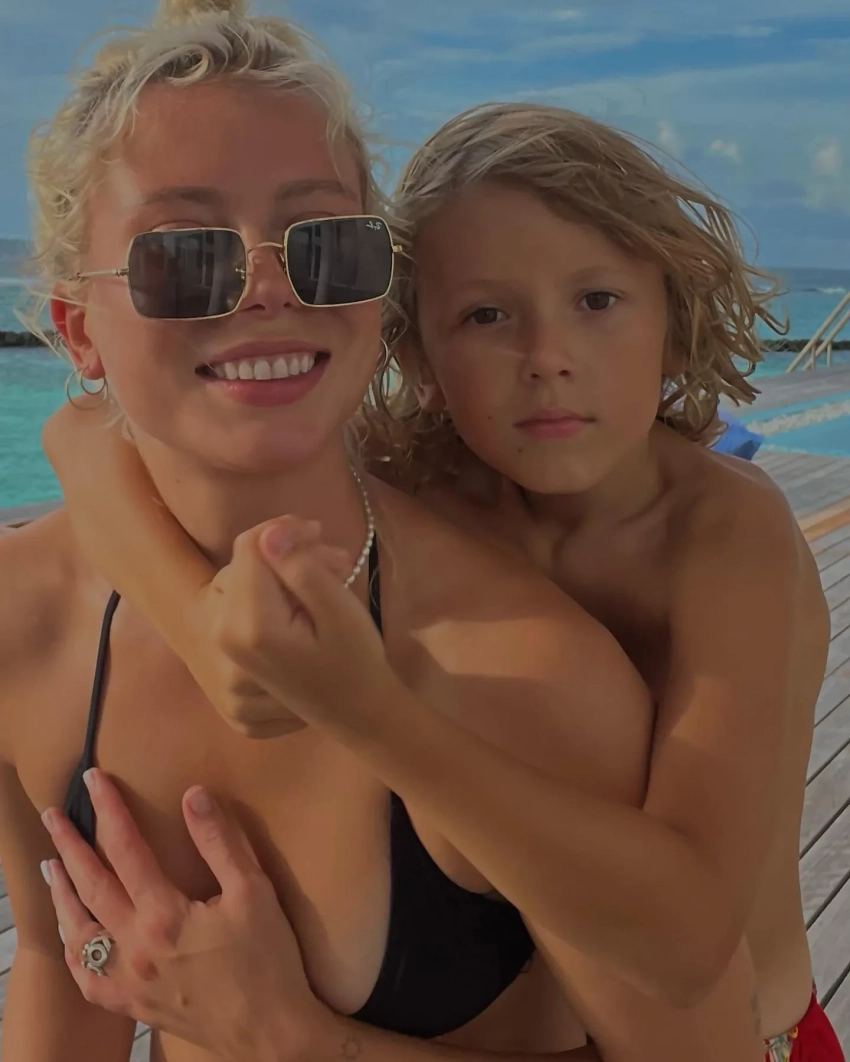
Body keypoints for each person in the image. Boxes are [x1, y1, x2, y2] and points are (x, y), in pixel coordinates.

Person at [0, 0, 767, 1061]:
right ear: (77, 328)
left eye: (324, 244)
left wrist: (286, 1038)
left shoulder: (522, 675)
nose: (269, 287)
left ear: (378, 297)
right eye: (183, 255)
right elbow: (65, 969)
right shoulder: (23, 621)